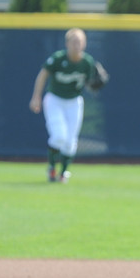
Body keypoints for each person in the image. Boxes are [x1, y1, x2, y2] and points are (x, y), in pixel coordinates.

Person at [29, 28, 99, 183]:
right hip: (55, 100)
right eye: (74, 41)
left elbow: (90, 84)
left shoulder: (87, 62)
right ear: (67, 43)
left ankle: (64, 172)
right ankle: (52, 168)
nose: (77, 45)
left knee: (70, 142)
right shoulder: (58, 59)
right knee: (59, 136)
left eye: (80, 42)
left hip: (74, 102)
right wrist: (36, 97)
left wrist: (95, 84)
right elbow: (43, 74)